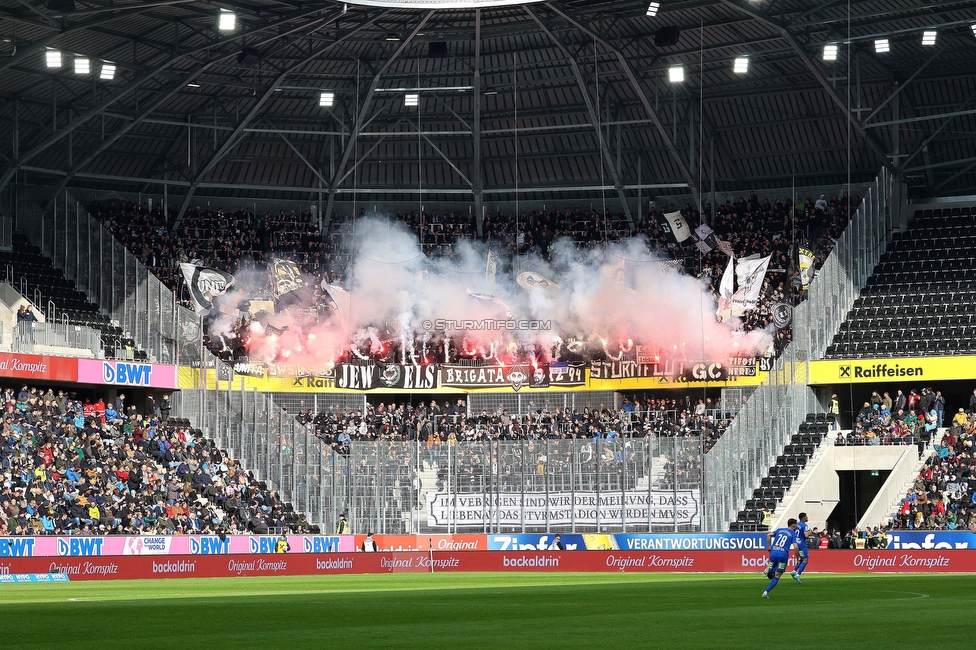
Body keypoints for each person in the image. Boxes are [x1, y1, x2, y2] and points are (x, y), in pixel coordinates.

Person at [762, 518, 800, 598]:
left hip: (773, 553)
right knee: (777, 575)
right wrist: (797, 558)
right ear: (793, 525)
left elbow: (768, 535)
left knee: (773, 570)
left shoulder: (780, 530)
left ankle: (769, 570)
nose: (796, 526)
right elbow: (796, 547)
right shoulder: (793, 534)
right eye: (796, 524)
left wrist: (769, 547)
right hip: (783, 555)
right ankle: (766, 592)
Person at [790, 513, 810, 583]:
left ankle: (794, 571)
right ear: (803, 517)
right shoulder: (804, 525)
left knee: (802, 558)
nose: (807, 518)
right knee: (805, 560)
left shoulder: (797, 524)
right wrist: (810, 532)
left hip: (796, 543)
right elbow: (806, 535)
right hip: (802, 544)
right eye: (806, 516)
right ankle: (798, 575)